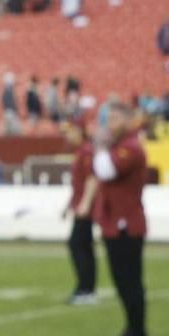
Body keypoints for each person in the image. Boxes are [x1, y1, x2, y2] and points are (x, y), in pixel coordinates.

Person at [91, 100, 151, 336]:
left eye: (115, 119)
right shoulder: (121, 147)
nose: (109, 125)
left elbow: (105, 170)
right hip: (115, 223)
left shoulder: (131, 148)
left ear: (127, 120)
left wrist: (100, 146)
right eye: (108, 119)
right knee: (122, 281)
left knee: (129, 282)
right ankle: (132, 331)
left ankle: (138, 334)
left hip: (126, 224)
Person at [63, 121, 100, 306]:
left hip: (85, 209)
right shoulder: (80, 152)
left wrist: (85, 203)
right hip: (80, 205)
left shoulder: (86, 152)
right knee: (83, 246)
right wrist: (70, 204)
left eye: (71, 132)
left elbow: (92, 179)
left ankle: (85, 288)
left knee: (77, 244)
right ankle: (86, 288)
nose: (67, 136)